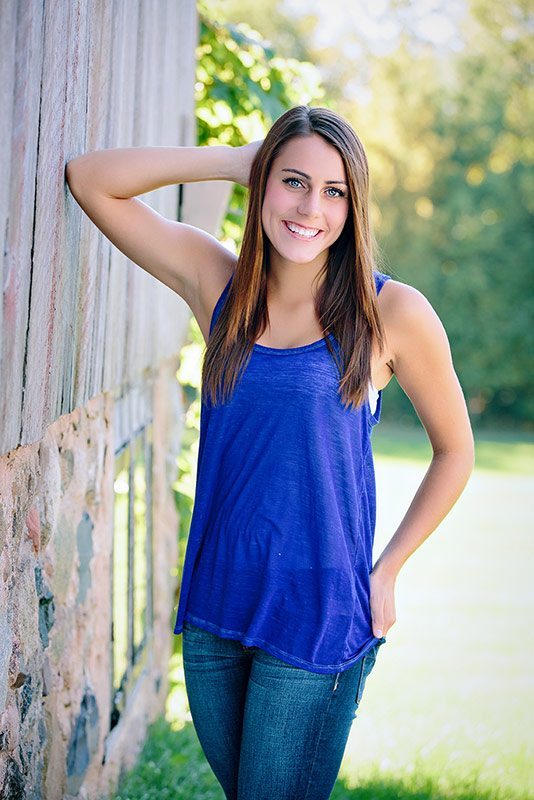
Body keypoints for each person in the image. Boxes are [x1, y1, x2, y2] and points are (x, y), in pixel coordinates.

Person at [65, 105, 474, 800]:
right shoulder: (217, 285)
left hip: (317, 609)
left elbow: (455, 450)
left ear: (353, 206)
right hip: (216, 603)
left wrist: (388, 571)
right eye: (292, 181)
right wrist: (234, 161)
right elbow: (90, 180)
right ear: (263, 183)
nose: (310, 208)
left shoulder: (392, 312)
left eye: (334, 191)